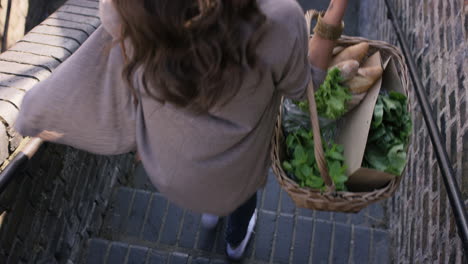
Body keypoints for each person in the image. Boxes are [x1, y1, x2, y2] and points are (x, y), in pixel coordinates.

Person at [14, 0, 348, 260]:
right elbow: (303, 86)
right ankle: (234, 241)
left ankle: (209, 214)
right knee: (237, 180)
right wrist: (335, 12)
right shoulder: (279, 16)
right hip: (237, 177)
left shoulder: (135, 8)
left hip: (170, 170)